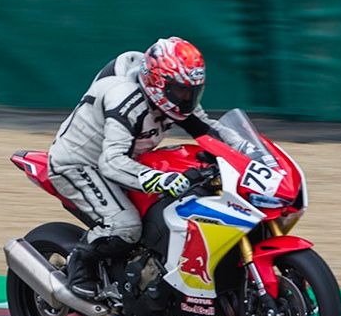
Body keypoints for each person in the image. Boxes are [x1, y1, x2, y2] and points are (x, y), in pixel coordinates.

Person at [48, 36, 217, 299]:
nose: (188, 98)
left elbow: (212, 133)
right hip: (79, 164)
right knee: (125, 227)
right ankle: (79, 266)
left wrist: (255, 153)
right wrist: (160, 179)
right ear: (157, 83)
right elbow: (111, 162)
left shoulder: (174, 100)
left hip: (127, 161)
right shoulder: (126, 99)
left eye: (193, 91)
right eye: (181, 90)